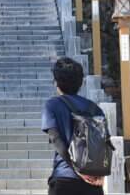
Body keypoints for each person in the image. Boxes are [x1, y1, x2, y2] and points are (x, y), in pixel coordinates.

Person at [42, 57, 106, 195]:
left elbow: (56, 140)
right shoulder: (94, 108)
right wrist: (100, 175)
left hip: (64, 178)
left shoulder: (53, 105)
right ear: (81, 83)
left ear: (56, 83)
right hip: (92, 181)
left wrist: (77, 170)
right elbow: (104, 143)